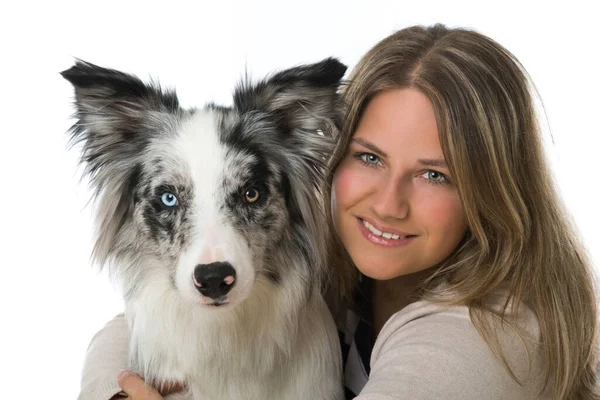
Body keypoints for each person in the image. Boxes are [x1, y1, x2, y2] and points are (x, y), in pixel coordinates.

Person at [78, 24, 599, 400]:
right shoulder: (336, 285)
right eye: (370, 158)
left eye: (435, 174)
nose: (387, 204)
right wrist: (118, 389)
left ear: (492, 191)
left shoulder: (483, 342)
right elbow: (124, 329)